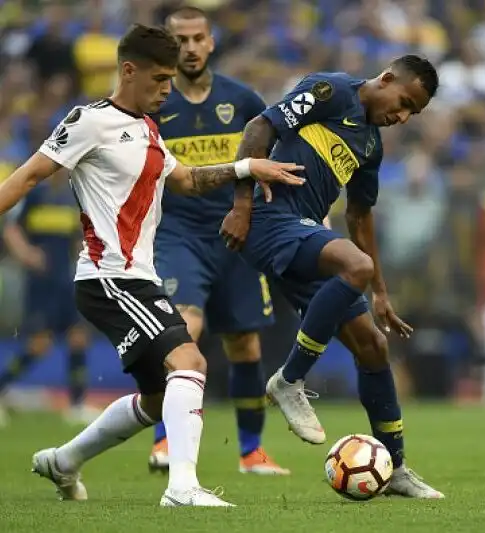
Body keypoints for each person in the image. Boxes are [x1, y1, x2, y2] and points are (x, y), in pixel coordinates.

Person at [0, 24, 303, 507]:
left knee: (160, 397)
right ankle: (182, 487)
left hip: (137, 277)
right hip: (109, 277)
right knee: (191, 361)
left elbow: (184, 179)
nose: (168, 89)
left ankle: (64, 461)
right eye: (160, 79)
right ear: (128, 70)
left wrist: (247, 168)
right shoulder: (89, 121)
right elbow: (32, 174)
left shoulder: (147, 127)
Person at [221, 55, 444, 498]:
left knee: (373, 347)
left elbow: (360, 217)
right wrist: (241, 206)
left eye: (412, 113)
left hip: (303, 235)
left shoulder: (371, 148)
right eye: (403, 102)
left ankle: (395, 467)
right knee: (354, 264)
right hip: (269, 219)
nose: (401, 117)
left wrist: (379, 291)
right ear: (385, 79)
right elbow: (258, 130)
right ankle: (289, 380)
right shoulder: (330, 90)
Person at [148, 6, 289, 476]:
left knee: (245, 345)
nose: (189, 48)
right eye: (180, 40)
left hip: (236, 233)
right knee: (185, 329)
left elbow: (271, 157)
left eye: (197, 39)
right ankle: (165, 441)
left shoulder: (242, 100)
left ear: (211, 42)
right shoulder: (153, 103)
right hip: (177, 234)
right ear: (168, 46)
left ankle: (251, 452)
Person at [0, 170, 97, 426]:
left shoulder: (74, 197)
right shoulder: (35, 195)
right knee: (39, 345)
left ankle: (76, 405)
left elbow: (80, 235)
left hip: (66, 281)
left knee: (78, 338)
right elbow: (11, 229)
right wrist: (27, 254)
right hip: (41, 284)